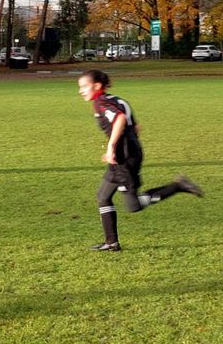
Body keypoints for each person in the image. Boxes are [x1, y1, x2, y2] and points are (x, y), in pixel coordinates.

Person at [77, 69, 203, 252]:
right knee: (103, 197)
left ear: (97, 86)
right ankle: (111, 242)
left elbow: (119, 119)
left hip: (124, 157)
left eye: (84, 86)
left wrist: (112, 148)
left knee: (133, 206)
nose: (81, 90)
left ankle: (178, 186)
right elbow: (136, 127)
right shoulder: (116, 99)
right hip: (127, 152)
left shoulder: (101, 102)